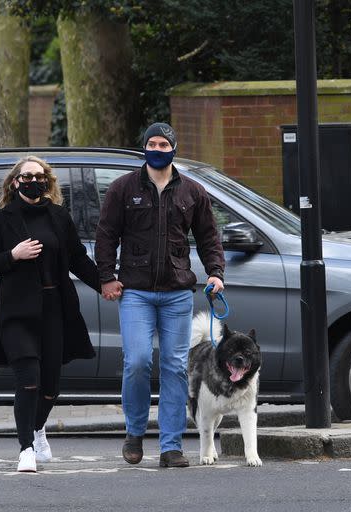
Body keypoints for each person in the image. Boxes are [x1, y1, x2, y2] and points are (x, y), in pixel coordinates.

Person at [95, 122, 226, 468]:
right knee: (137, 361)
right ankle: (134, 433)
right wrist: (107, 277)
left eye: (163, 143)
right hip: (135, 291)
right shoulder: (123, 188)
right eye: (151, 142)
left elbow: (209, 236)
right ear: (144, 147)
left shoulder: (192, 192)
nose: (157, 148)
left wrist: (215, 273)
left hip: (177, 292)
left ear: (173, 148)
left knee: (174, 367)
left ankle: (171, 446)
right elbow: (106, 235)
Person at [0, 155, 101, 473]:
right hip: (17, 312)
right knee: (29, 380)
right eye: (26, 176)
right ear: (15, 182)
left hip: (54, 309)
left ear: (47, 181)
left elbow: (77, 258)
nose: (33, 181)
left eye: (39, 175)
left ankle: (37, 428)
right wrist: (13, 255)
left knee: (50, 387)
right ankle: (26, 449)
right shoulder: (3, 219)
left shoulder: (58, 217)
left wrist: (107, 285)